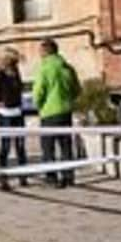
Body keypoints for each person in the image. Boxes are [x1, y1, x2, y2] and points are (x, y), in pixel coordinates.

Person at [33, 39, 80, 188]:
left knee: (48, 147)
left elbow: (38, 91)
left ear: (46, 51)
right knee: (66, 145)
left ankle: (51, 178)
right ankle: (68, 176)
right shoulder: (68, 67)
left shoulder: (45, 68)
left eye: (40, 51)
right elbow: (77, 89)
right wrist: (69, 100)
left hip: (49, 112)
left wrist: (38, 106)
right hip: (65, 111)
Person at [0, 48, 28, 191]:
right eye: (11, 63)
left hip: (18, 112)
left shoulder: (16, 75)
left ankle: (22, 175)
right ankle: (4, 177)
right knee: (6, 146)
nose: (13, 65)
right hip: (5, 113)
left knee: (20, 145)